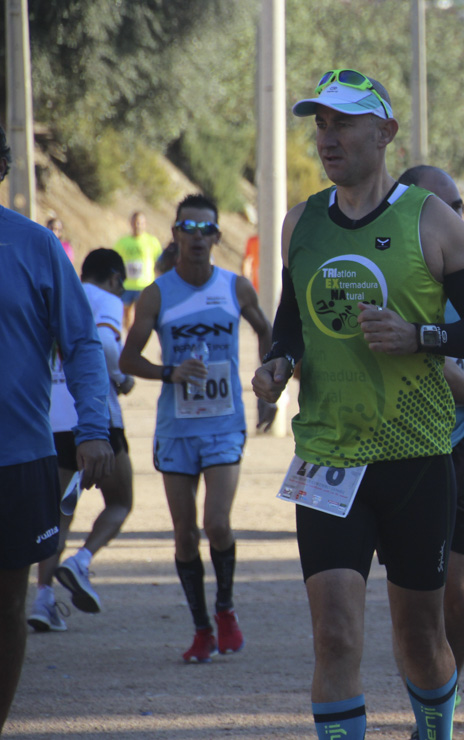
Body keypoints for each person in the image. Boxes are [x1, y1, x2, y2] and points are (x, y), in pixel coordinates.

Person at [250, 69, 464, 740]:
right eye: (320, 124)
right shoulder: (301, 223)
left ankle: (435, 730)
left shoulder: (430, 220)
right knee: (334, 637)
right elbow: (292, 318)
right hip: (328, 457)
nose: (327, 137)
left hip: (417, 455)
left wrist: (422, 336)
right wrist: (278, 360)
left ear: (384, 132)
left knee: (420, 640)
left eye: (343, 123)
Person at [120, 193, 272, 663]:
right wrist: (170, 373)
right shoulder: (157, 293)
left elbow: (268, 330)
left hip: (225, 424)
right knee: (185, 533)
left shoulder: (235, 287)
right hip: (175, 429)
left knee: (217, 523)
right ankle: (201, 627)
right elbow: (128, 359)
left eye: (208, 230)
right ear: (176, 234)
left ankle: (225, 610)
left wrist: (271, 381)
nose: (198, 237)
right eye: (190, 227)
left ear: (217, 238)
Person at [0, 123, 114, 733]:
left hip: (17, 460)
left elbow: (81, 343)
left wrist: (93, 427)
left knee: (7, 607)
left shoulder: (36, 247)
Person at [393, 164, 464, 731]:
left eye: (458, 207)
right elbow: (425, 360)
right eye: (441, 208)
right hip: (407, 445)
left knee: (461, 601)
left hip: (462, 448)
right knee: (415, 608)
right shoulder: (397, 272)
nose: (453, 219)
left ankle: (440, 703)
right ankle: (431, 714)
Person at [29, 249, 136, 631]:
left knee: (58, 517)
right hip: (95, 417)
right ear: (114, 279)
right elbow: (107, 345)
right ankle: (82, 561)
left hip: (52, 418)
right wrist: (122, 378)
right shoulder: (107, 300)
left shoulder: (53, 292)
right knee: (121, 502)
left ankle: (42, 600)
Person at [113, 211, 163, 327]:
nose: (138, 225)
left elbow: (159, 262)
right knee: (127, 315)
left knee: (142, 315)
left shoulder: (152, 242)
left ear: (145, 224)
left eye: (140, 223)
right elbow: (115, 261)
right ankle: (130, 336)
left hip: (144, 285)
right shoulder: (122, 242)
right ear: (131, 223)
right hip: (127, 284)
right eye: (135, 222)